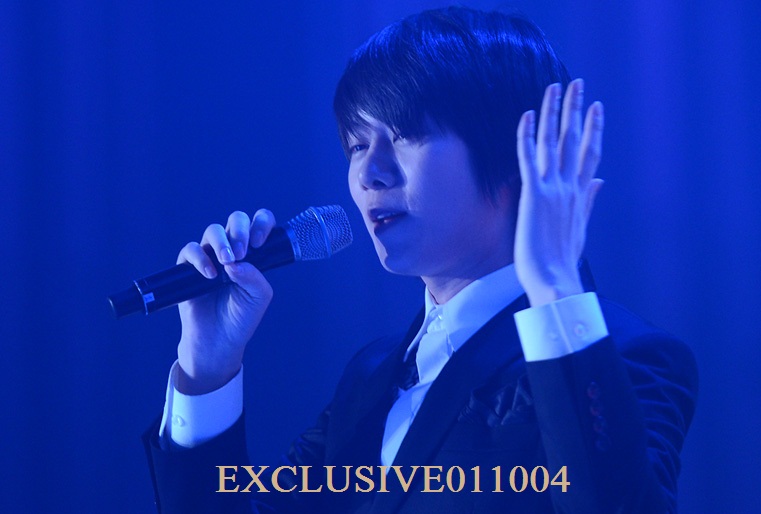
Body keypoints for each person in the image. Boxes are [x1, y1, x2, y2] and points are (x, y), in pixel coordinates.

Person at [143, 6, 698, 513]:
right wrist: (208, 368)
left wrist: (554, 288)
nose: (369, 173)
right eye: (357, 145)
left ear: (516, 153)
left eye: (405, 135)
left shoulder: (623, 356)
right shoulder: (370, 376)